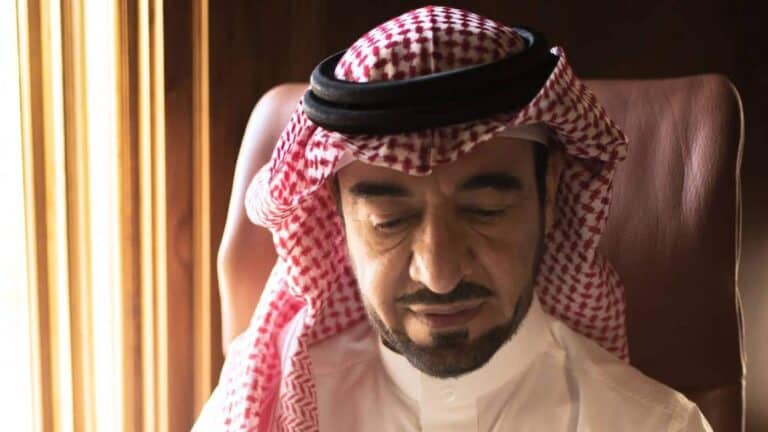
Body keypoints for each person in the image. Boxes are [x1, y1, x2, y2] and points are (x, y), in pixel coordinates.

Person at [196, 6, 712, 431]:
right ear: (337, 213)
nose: (439, 275)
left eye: (485, 212)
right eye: (389, 220)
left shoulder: (655, 425)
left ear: (550, 191)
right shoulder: (259, 414)